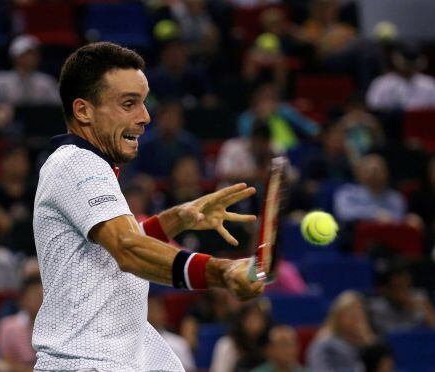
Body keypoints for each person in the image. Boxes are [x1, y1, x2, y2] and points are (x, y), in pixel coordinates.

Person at [32, 42, 263, 371]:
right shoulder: (76, 164)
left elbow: (111, 253)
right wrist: (221, 271)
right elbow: (128, 249)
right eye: (129, 104)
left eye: (143, 102)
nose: (145, 117)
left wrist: (177, 218)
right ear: (84, 111)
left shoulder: (88, 167)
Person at [0, 34, 60, 109]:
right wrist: (1, 108)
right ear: (15, 56)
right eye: (27, 54)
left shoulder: (46, 81)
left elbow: (58, 105)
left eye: (34, 53)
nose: (31, 57)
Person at [366, 44, 435, 111]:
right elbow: (373, 108)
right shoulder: (382, 83)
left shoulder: (430, 84)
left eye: (412, 61)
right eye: (407, 61)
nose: (409, 66)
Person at [306, 291, 376, 372]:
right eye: (351, 313)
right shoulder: (325, 343)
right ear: (338, 316)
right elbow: (319, 368)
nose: (356, 318)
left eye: (359, 313)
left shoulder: (367, 343)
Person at [333, 154, 412, 224]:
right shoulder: (347, 192)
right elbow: (343, 213)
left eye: (377, 170)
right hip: (354, 237)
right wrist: (375, 214)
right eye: (368, 170)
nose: (373, 174)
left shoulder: (395, 197)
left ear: (386, 173)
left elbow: (399, 218)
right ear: (358, 173)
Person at [134, 100, 202, 178]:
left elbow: (200, 170)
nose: (169, 123)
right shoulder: (144, 143)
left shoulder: (189, 143)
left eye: (173, 119)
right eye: (166, 118)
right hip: (150, 186)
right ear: (158, 120)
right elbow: (133, 171)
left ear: (181, 121)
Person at [368, 265, 435, 335]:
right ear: (387, 289)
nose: (403, 293)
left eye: (407, 287)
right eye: (398, 287)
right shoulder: (376, 307)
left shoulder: (419, 299)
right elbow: (386, 336)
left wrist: (424, 311)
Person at [0, 276, 42, 371]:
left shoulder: (60, 327)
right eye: (36, 296)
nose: (41, 301)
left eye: (44, 296)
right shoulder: (7, 326)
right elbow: (4, 360)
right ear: (23, 300)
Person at [211, 300, 272, 372]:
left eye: (259, 318)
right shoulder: (227, 344)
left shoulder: (268, 345)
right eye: (251, 319)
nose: (256, 323)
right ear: (241, 321)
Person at [147, 293, 196, 371]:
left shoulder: (179, 343)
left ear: (164, 313)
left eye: (157, 309)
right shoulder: (133, 343)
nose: (152, 314)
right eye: (150, 309)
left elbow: (189, 369)